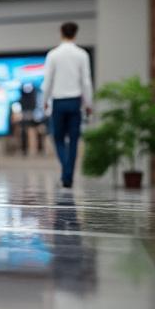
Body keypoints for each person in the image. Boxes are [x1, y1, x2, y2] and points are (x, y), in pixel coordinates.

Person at [43, 22, 93, 188]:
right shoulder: (82, 54)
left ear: (61, 33)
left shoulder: (53, 55)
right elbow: (86, 81)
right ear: (75, 34)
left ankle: (66, 172)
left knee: (57, 138)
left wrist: (44, 100)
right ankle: (68, 175)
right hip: (75, 102)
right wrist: (88, 103)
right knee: (73, 140)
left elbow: (48, 81)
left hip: (58, 102)